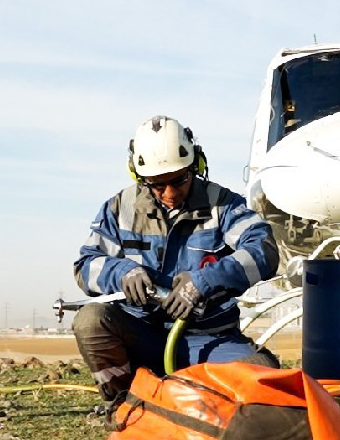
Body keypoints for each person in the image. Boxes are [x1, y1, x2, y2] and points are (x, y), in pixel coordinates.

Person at [73, 115, 281, 417]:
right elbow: (85, 264)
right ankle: (122, 406)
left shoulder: (223, 206)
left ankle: (192, 394)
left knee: (263, 375)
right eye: (158, 185)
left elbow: (263, 249)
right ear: (139, 176)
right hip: (142, 337)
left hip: (209, 340)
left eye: (179, 179)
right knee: (90, 321)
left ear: (195, 165)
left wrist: (206, 281)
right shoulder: (119, 209)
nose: (170, 193)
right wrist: (121, 274)